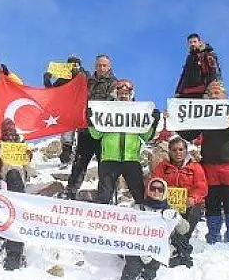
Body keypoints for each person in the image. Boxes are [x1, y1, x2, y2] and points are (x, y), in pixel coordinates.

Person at [179, 81, 229, 249]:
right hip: (209, 164)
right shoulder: (205, 112)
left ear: (225, 95)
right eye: (210, 93)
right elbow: (190, 134)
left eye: (217, 92)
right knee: (212, 202)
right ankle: (213, 238)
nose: (213, 95)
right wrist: (174, 122)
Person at [89, 79, 159, 205]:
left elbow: (146, 137)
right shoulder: (106, 111)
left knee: (140, 195)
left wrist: (153, 123)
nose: (123, 96)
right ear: (116, 94)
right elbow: (96, 135)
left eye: (126, 93)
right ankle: (99, 223)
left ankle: (147, 222)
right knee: (104, 195)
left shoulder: (138, 113)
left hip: (131, 159)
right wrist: (91, 122)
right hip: (109, 159)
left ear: (131, 95)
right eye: (120, 93)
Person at [61, 54, 117, 200]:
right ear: (95, 66)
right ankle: (70, 191)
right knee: (80, 162)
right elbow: (72, 82)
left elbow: (117, 103)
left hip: (104, 133)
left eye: (104, 65)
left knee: (104, 165)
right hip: (86, 130)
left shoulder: (115, 83)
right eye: (99, 65)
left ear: (109, 67)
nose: (102, 68)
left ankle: (106, 196)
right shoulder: (87, 81)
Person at [120, 178, 189, 280]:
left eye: (160, 189)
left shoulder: (169, 211)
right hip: (137, 246)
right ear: (148, 190)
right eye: (153, 188)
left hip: (157, 248)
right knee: (133, 265)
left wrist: (178, 218)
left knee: (152, 265)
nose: (156, 192)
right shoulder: (138, 208)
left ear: (164, 192)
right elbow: (125, 226)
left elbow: (184, 230)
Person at [151, 137, 208, 267]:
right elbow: (153, 183)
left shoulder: (195, 167)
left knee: (190, 218)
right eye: (174, 150)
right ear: (169, 152)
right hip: (167, 206)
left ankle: (180, 249)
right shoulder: (163, 167)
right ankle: (177, 250)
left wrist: (193, 198)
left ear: (186, 151)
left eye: (181, 149)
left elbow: (202, 186)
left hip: (189, 205)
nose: (178, 152)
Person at [43, 55, 85, 168]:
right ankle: (66, 158)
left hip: (82, 111)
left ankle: (81, 158)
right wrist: (47, 80)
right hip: (68, 112)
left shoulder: (85, 75)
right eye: (70, 64)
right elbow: (52, 91)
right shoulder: (63, 79)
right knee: (67, 136)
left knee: (83, 136)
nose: (73, 66)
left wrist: (78, 73)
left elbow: (88, 84)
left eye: (75, 64)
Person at [175, 33, 221, 99]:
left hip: (202, 91)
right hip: (187, 92)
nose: (192, 44)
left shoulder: (207, 54)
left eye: (194, 42)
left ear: (199, 42)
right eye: (190, 42)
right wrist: (178, 91)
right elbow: (183, 76)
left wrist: (210, 91)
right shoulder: (189, 58)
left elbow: (213, 71)